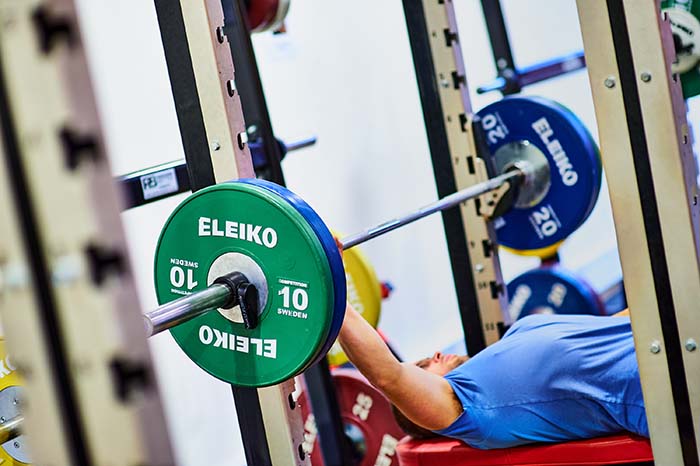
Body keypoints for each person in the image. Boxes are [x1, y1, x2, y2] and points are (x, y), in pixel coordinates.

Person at [336, 304, 649, 449]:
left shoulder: (519, 332)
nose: (434, 354)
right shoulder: (469, 409)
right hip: (650, 391)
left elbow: (610, 325)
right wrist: (332, 291)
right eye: (423, 366)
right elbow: (388, 377)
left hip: (664, 336)